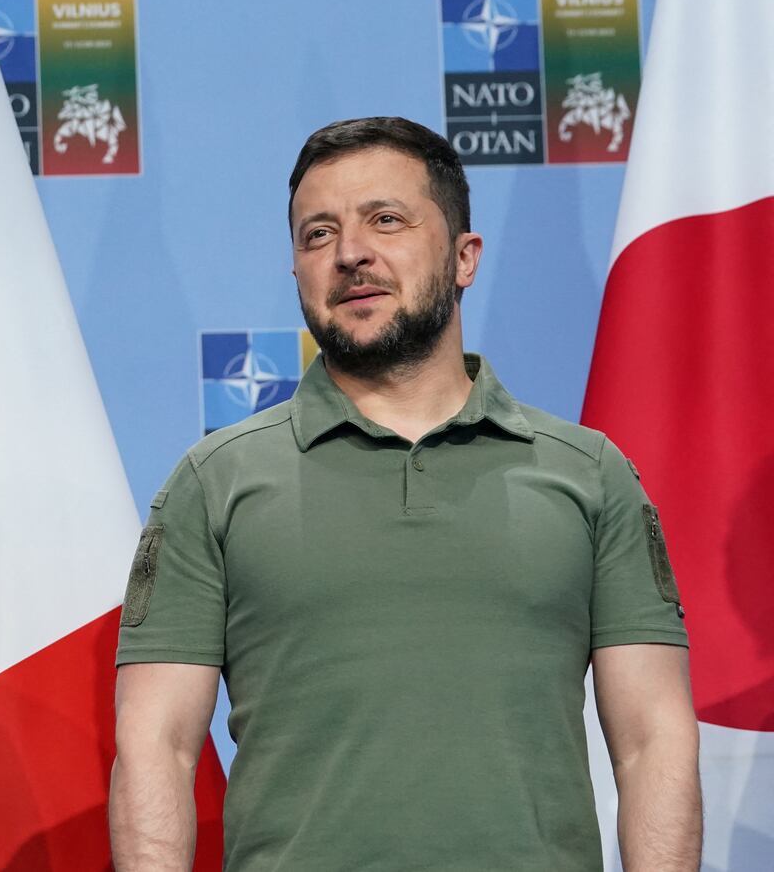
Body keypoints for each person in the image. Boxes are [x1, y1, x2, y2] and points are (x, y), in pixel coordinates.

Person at [109, 117, 700, 871]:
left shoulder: (590, 474)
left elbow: (653, 741)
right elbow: (155, 747)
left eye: (385, 220)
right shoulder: (213, 481)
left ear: (464, 257)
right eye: (318, 234)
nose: (350, 253)